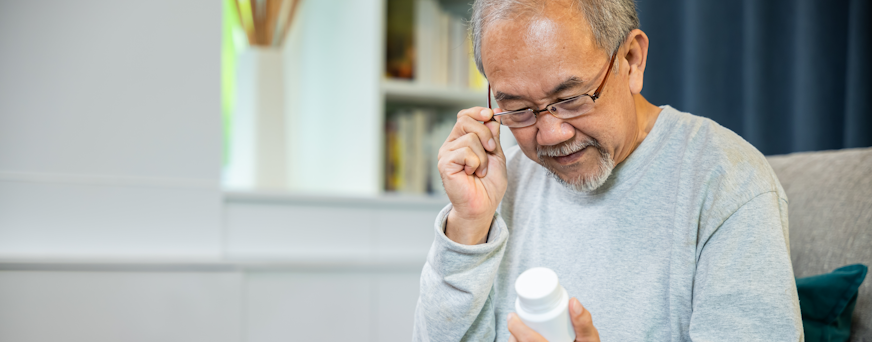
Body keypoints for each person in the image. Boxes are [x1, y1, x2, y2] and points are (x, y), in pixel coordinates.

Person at [412, 0, 804, 341]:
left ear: (631, 60)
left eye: (570, 98)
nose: (549, 135)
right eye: (516, 107)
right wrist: (468, 226)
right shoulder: (495, 183)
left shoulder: (727, 181)